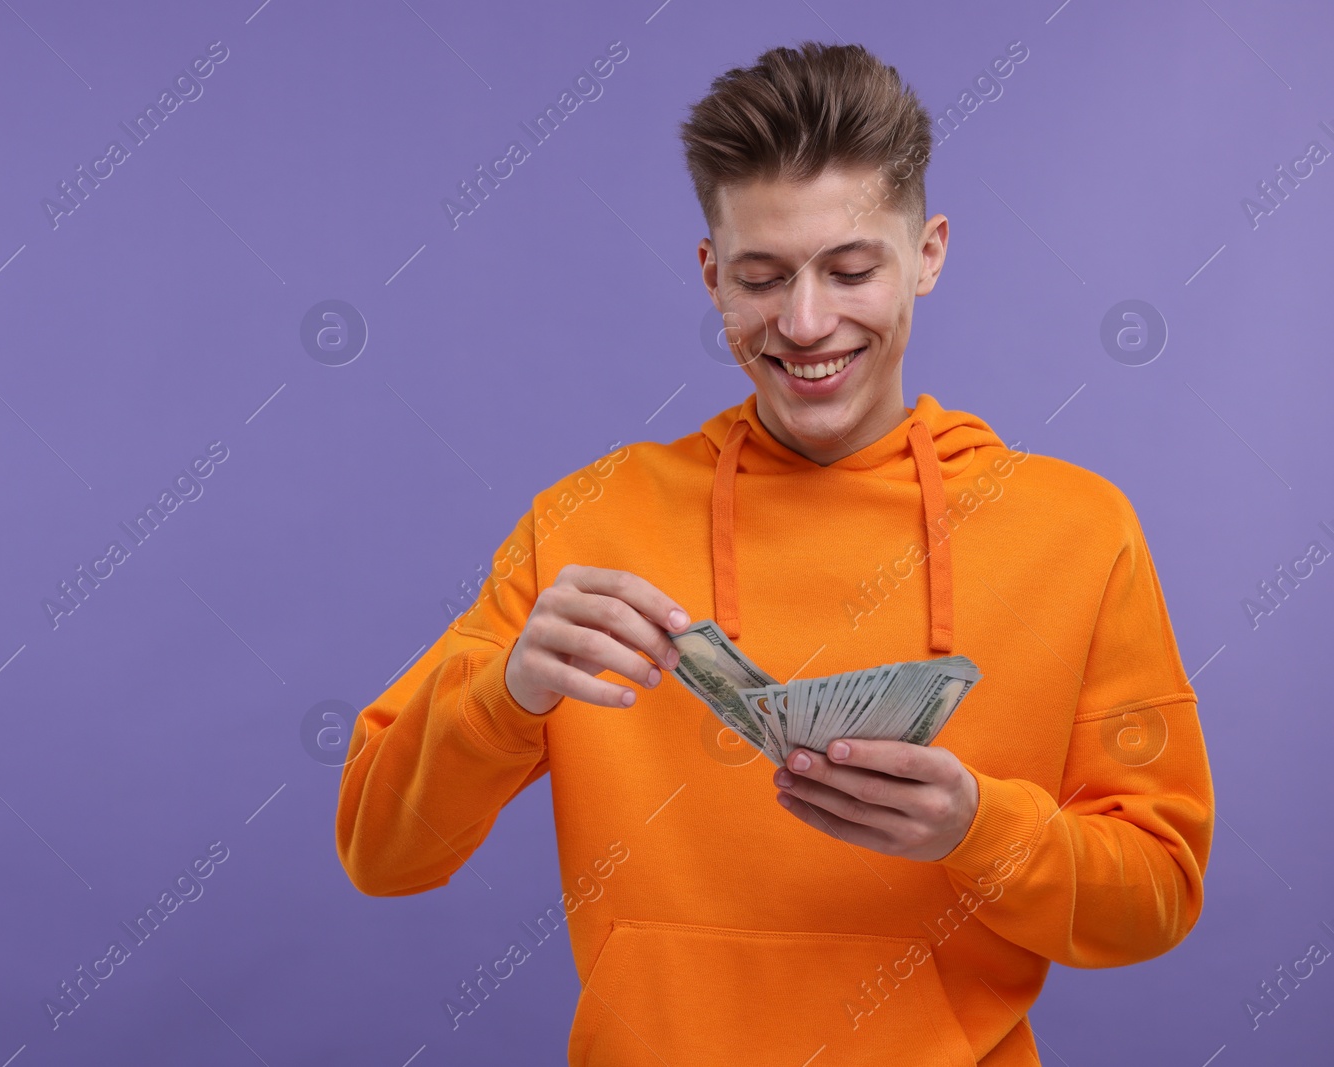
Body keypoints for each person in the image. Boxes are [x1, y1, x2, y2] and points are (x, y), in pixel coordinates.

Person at [335, 40, 1214, 1066]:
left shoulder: (1075, 527)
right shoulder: (587, 522)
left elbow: (1156, 897)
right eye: (762, 277)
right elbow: (379, 852)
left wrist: (980, 829)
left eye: (849, 269)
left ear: (927, 254)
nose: (804, 323)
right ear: (712, 275)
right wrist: (503, 696)